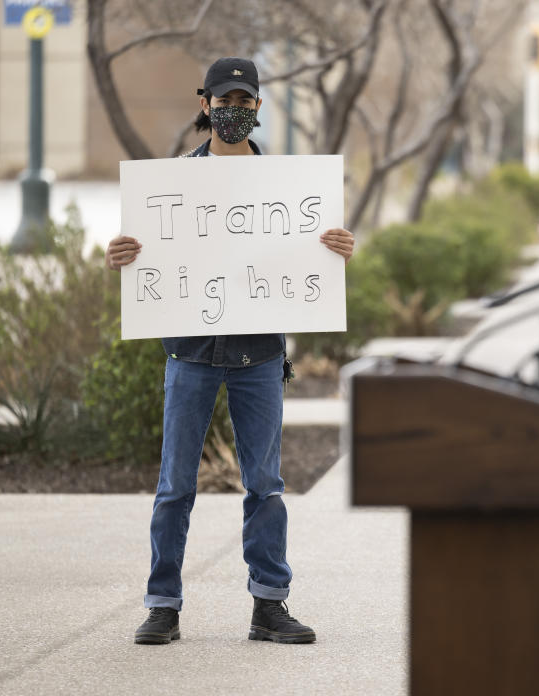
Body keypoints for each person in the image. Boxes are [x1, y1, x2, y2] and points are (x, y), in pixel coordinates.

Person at [105, 57, 355, 646]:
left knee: (265, 483)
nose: (234, 112)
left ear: (259, 108)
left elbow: (305, 265)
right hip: (189, 354)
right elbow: (150, 259)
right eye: (225, 101)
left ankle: (270, 605)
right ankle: (163, 605)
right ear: (205, 103)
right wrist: (119, 257)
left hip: (259, 359)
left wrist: (336, 250)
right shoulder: (170, 188)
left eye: (245, 103)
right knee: (175, 486)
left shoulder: (292, 193)